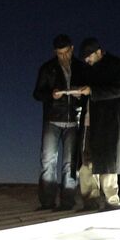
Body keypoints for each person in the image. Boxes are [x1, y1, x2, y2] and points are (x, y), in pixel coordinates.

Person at [32, 34, 88, 211]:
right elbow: (37, 93)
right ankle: (47, 202)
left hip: (73, 120)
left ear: (72, 49)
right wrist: (51, 94)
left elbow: (90, 92)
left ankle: (67, 202)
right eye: (59, 54)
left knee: (70, 164)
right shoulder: (47, 68)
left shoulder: (81, 67)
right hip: (52, 119)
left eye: (66, 53)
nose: (63, 57)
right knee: (48, 161)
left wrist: (81, 95)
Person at [78, 38, 120, 209]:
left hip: (108, 120)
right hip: (89, 119)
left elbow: (118, 90)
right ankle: (90, 199)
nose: (87, 60)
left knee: (108, 160)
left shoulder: (116, 64)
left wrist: (93, 91)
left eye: (89, 56)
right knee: (87, 159)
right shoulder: (88, 68)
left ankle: (111, 200)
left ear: (98, 52)